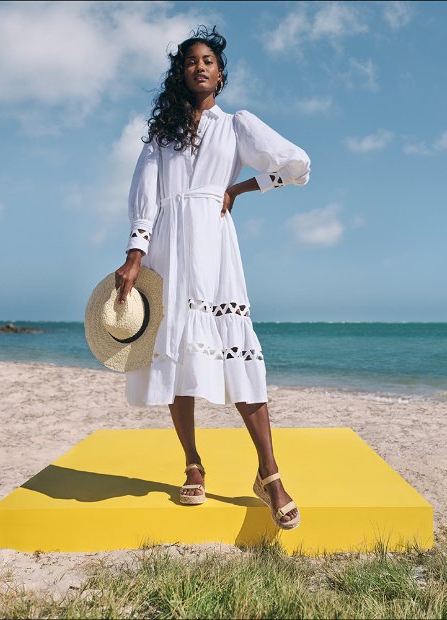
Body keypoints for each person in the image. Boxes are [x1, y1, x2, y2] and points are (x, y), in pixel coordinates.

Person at [114, 26, 310, 529]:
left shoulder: (237, 125)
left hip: (214, 246)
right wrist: (135, 255)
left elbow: (296, 163)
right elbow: (145, 195)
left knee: (234, 350)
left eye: (208, 61)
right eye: (190, 61)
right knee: (177, 355)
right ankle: (192, 463)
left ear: (220, 75)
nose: (199, 66)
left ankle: (269, 474)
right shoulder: (162, 135)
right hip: (166, 247)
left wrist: (243, 187)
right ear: (180, 75)